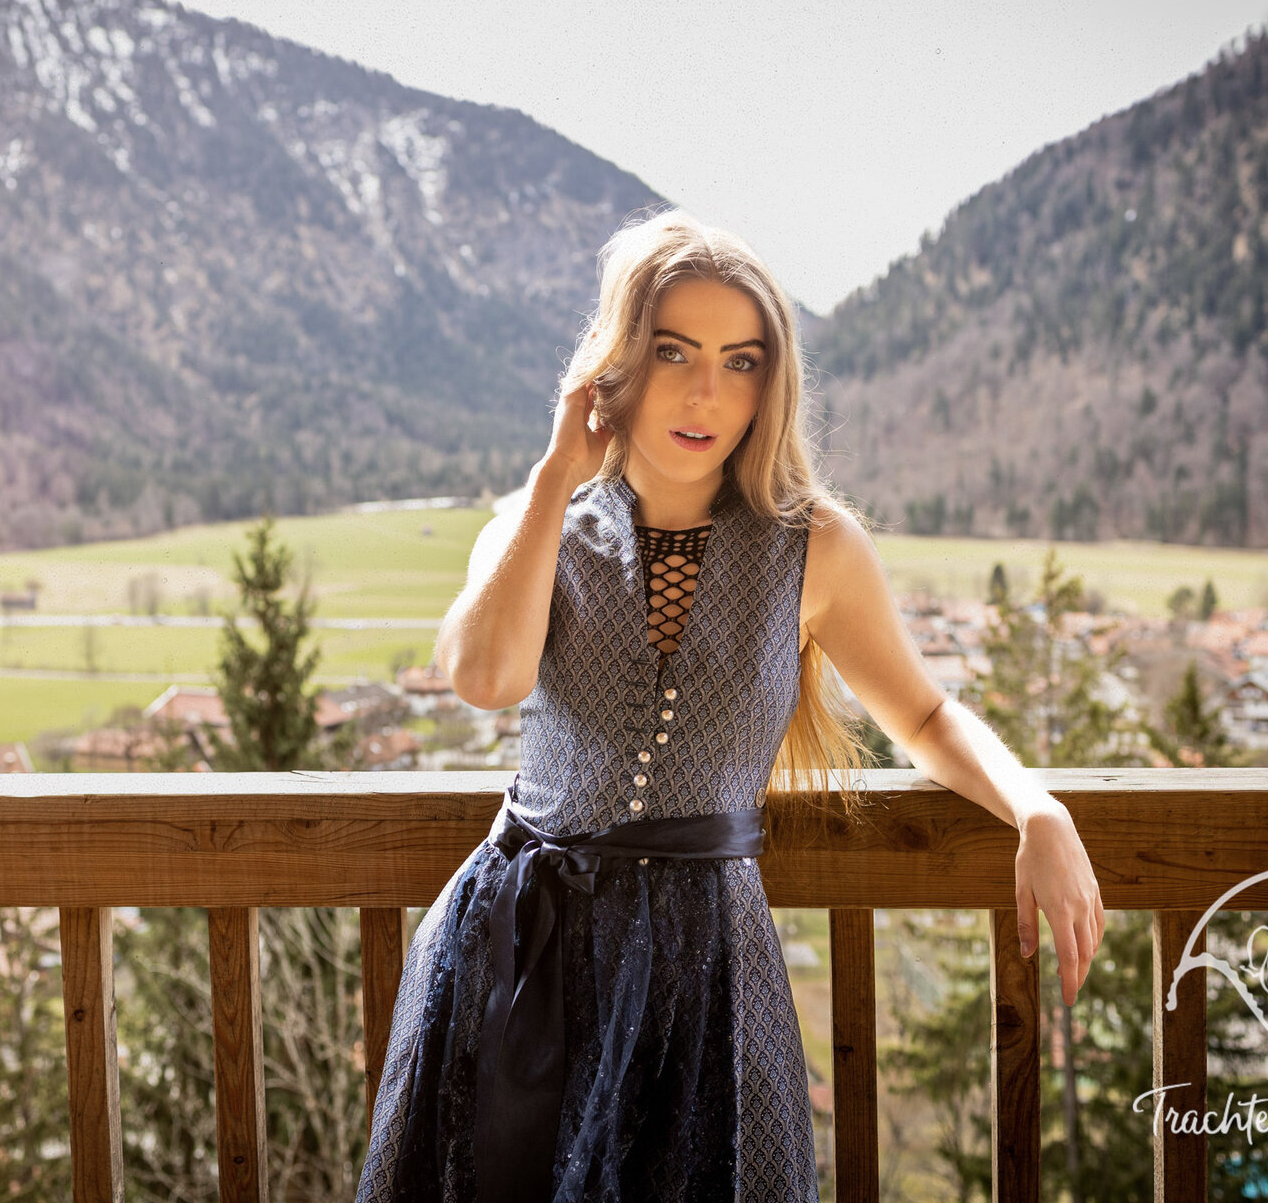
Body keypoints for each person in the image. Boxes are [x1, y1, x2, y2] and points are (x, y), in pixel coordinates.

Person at [355, 208, 1106, 1203]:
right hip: (520, 946)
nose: (706, 392)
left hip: (702, 968)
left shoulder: (815, 544)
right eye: (673, 352)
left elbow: (923, 716)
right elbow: (483, 677)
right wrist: (555, 475)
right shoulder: (535, 524)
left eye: (740, 361)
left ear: (770, 382)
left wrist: (1035, 807)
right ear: (619, 363)